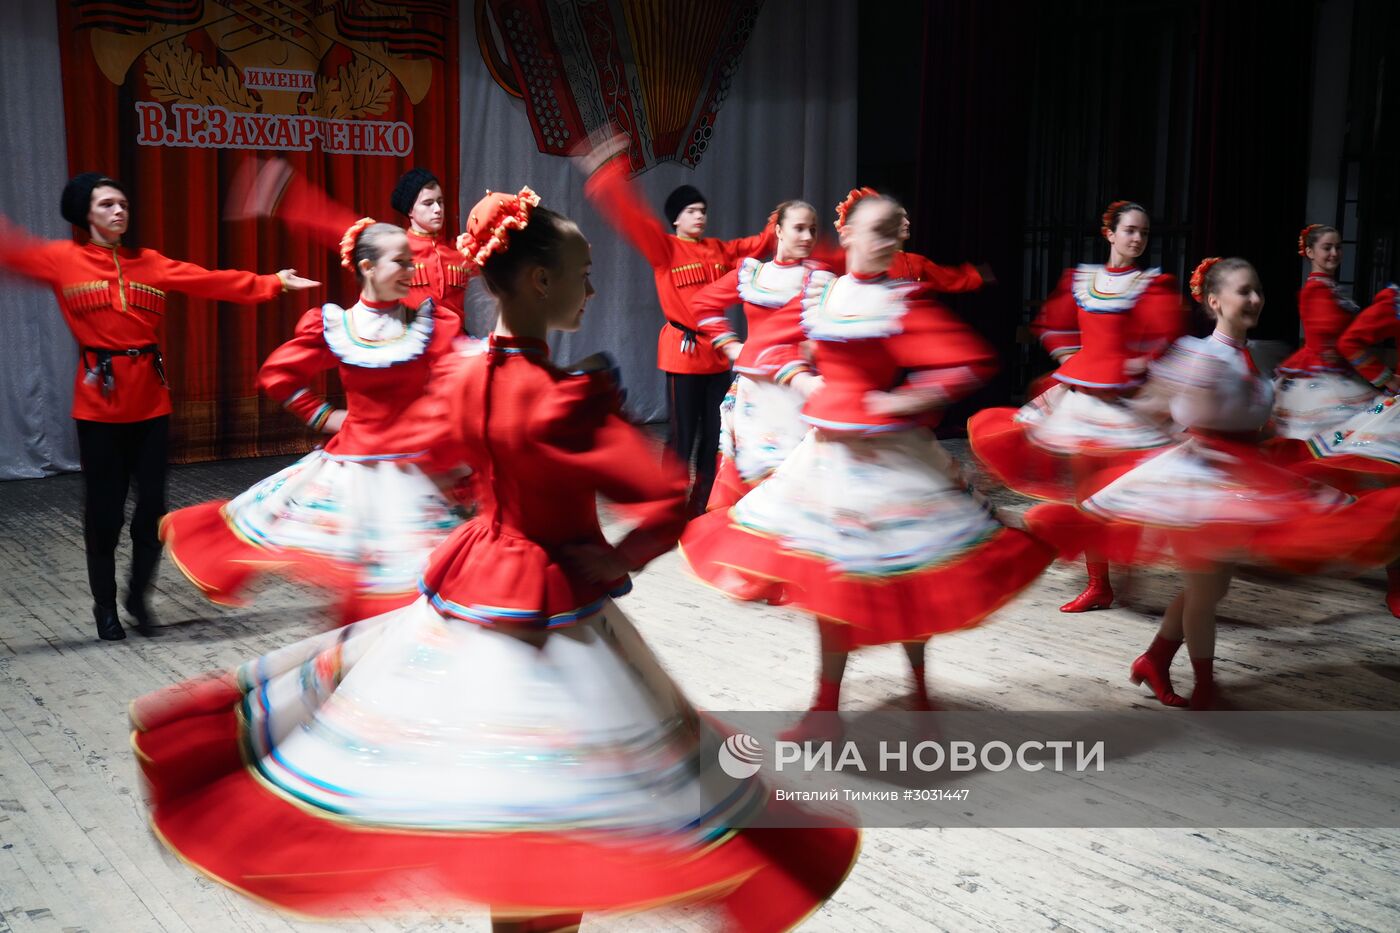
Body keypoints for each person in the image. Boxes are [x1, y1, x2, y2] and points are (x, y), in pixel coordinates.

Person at [131, 188, 859, 930]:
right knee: (561, 816)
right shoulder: (559, 399)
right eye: (584, 269)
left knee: (490, 801)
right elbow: (667, 492)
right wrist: (619, 556)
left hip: (471, 590)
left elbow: (434, 448)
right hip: (549, 611)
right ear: (541, 281)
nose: (594, 286)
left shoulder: (461, 371)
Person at [682, 194, 1055, 740]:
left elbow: (970, 359)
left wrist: (903, 401)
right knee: (836, 580)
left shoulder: (901, 302)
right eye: (877, 232)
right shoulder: (820, 293)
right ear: (850, 234)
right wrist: (803, 379)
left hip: (889, 460)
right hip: (829, 457)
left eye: (894, 235)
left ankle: (920, 691)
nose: (889, 243)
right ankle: (826, 711)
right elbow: (774, 346)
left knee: (911, 572)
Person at [1029, 258, 1400, 709]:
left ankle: (1155, 658)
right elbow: (1155, 406)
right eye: (1244, 291)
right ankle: (1205, 687)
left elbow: (1248, 420)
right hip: (1199, 485)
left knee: (1210, 587)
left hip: (1239, 480)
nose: (1256, 299)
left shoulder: (1253, 357)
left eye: (1258, 289)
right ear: (1214, 301)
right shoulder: (1198, 353)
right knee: (1206, 592)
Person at [0, 172, 317, 640]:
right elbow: (13, 251)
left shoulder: (148, 262)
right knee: (104, 513)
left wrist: (272, 281)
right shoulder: (61, 259)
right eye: (107, 204)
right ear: (85, 213)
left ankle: (139, 599)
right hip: (99, 408)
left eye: (122, 203)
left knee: (152, 509)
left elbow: (209, 280)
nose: (118, 211)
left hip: (150, 405)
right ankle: (104, 607)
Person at [160, 218, 466, 623]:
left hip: (414, 469)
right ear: (368, 267)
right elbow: (278, 375)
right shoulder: (340, 325)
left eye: (412, 262)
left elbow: (459, 379)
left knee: (423, 589)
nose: (412, 272)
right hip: (357, 472)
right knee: (375, 594)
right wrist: (326, 416)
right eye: (401, 262)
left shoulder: (429, 324)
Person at [967, 200, 1183, 613]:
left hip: (1124, 405)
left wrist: (1138, 364)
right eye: (1130, 230)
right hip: (1083, 402)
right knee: (1088, 498)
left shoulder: (1151, 285)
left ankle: (1127, 569)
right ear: (1110, 234)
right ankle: (1098, 583)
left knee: (1123, 495)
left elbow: (1164, 336)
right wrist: (1072, 359)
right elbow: (1052, 324)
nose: (1137, 239)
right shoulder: (1083, 279)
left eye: (1143, 233)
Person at [580, 135, 776, 513]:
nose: (699, 215)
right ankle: (668, 502)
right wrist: (609, 173)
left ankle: (699, 505)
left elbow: (758, 245)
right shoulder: (665, 248)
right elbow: (631, 216)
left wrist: (779, 223)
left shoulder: (720, 250)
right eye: (691, 211)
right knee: (682, 435)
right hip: (683, 355)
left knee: (714, 434)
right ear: (675, 218)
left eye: (702, 210)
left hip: (717, 355)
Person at [687, 199, 827, 509]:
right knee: (755, 473)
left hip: (797, 389)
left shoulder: (820, 280)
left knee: (794, 472)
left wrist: (815, 348)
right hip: (756, 391)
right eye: (799, 228)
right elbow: (703, 303)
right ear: (778, 230)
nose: (807, 237)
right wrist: (731, 345)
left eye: (813, 230)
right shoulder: (753, 274)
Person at [228, 159, 472, 330]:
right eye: (428, 203)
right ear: (410, 209)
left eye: (440, 201)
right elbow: (332, 221)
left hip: (454, 355)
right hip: (407, 349)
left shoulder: (461, 252)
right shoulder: (392, 245)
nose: (438, 209)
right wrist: (284, 196)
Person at [1272, 224, 1379, 438]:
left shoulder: (1330, 289)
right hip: (1320, 372)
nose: (1334, 253)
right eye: (1327, 248)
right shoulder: (1315, 290)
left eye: (1338, 248)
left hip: (1340, 370)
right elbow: (1332, 332)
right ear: (1310, 252)